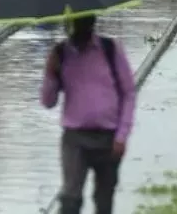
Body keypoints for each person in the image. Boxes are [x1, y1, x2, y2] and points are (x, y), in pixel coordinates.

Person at [41, 15, 136, 214]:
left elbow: (128, 93)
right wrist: (50, 73)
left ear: (93, 23)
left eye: (85, 22)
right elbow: (48, 102)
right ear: (70, 25)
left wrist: (122, 135)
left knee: (104, 200)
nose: (80, 27)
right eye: (76, 23)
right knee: (70, 198)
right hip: (75, 139)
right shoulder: (61, 54)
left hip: (108, 139)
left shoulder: (110, 50)